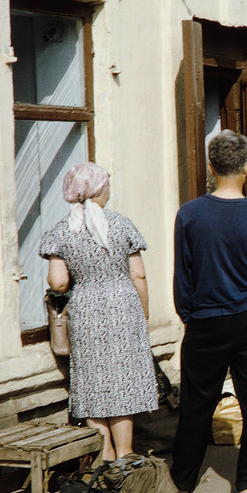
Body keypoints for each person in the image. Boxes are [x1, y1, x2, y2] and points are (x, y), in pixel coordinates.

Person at [171, 130, 247, 493]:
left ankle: (183, 479)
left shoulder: (189, 214)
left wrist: (189, 314)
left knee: (196, 402)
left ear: (211, 167)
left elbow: (183, 275)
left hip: (205, 320)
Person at [40, 162, 157, 463]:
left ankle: (104, 458)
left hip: (87, 308)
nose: (109, 191)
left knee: (92, 382)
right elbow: (138, 276)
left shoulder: (61, 231)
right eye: (107, 186)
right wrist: (142, 312)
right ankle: (126, 454)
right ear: (98, 191)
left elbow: (58, 281)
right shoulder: (120, 224)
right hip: (123, 306)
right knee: (121, 381)